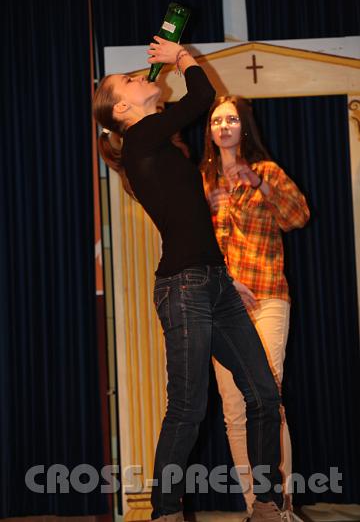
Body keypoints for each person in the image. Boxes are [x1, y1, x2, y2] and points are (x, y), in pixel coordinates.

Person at [93, 37, 290, 522]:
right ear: (122, 108)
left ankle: (264, 504)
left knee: (264, 394)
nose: (143, 79)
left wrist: (227, 275)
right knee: (188, 407)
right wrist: (180, 58)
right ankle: (165, 512)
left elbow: (191, 219)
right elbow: (201, 99)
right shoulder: (139, 138)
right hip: (183, 289)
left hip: (215, 282)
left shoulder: (155, 142)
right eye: (133, 81)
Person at [201, 95, 310, 520]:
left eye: (231, 119)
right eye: (216, 120)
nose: (224, 125)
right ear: (210, 130)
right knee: (233, 409)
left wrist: (261, 185)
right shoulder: (204, 179)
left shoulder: (266, 171)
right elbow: (190, 244)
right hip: (223, 301)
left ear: (243, 127)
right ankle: (255, 507)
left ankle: (280, 505)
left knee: (268, 397)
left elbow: (297, 215)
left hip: (266, 295)